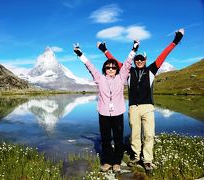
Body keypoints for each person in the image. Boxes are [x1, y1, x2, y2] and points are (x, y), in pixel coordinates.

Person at [97, 28, 184, 171]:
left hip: (147, 107)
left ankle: (148, 160)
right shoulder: (128, 72)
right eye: (137, 59)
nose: (138, 61)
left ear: (145, 60)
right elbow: (113, 63)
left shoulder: (152, 70)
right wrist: (104, 50)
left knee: (149, 134)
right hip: (133, 108)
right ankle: (136, 157)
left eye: (141, 59)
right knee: (135, 134)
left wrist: (176, 40)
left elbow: (164, 55)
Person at [73, 41, 139, 173]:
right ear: (104, 69)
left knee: (118, 139)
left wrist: (134, 49)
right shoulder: (99, 78)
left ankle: (117, 162)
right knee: (106, 139)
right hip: (103, 113)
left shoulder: (121, 78)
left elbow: (127, 64)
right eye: (108, 67)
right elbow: (89, 66)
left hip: (118, 113)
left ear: (116, 70)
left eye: (113, 67)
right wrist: (80, 54)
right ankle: (107, 161)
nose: (110, 69)